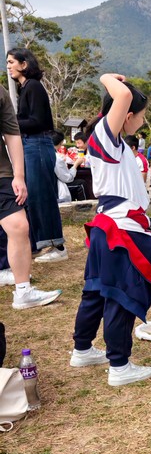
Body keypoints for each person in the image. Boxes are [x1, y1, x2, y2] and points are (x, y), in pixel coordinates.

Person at [70, 74, 151, 386]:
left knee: (96, 290)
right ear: (127, 115)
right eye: (141, 115)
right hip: (121, 229)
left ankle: (82, 349)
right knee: (120, 295)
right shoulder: (105, 135)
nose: (143, 121)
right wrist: (106, 77)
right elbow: (122, 96)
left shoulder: (112, 142)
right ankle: (119, 365)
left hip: (110, 226)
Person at [0, 84, 62, 306]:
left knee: (19, 226)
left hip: (2, 174)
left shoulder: (1, 92)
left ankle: (23, 292)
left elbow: (12, 133)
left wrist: (18, 175)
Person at [6, 46, 68, 262]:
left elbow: (38, 122)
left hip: (38, 144)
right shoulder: (25, 88)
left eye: (11, 62)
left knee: (43, 196)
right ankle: (37, 244)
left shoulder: (33, 86)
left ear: (24, 64)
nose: (8, 66)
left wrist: (10, 123)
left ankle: (56, 246)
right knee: (31, 197)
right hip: (29, 145)